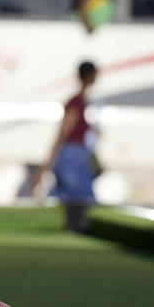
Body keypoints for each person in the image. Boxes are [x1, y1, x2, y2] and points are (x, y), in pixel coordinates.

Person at [31, 61, 99, 232]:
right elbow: (62, 134)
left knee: (69, 197)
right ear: (90, 76)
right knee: (82, 197)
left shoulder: (83, 102)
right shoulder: (76, 102)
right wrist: (45, 167)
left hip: (76, 155)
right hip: (71, 156)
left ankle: (69, 229)